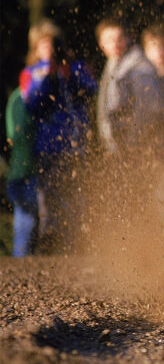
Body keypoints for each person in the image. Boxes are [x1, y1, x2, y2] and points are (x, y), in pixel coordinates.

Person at [20, 19, 97, 247]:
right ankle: (50, 242)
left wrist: (68, 75)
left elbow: (92, 90)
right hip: (47, 145)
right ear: (35, 47)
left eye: (52, 44)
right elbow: (31, 104)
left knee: (76, 195)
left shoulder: (75, 67)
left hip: (75, 143)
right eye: (43, 45)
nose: (49, 49)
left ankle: (78, 242)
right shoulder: (31, 73)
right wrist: (46, 77)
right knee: (48, 197)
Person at [96, 18, 164, 156]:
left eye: (119, 38)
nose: (115, 44)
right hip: (119, 145)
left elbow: (148, 111)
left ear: (128, 38)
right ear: (101, 43)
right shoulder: (113, 64)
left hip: (138, 147)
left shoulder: (140, 68)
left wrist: (132, 144)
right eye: (109, 40)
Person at [6, 86, 38, 256]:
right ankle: (22, 257)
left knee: (26, 218)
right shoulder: (21, 98)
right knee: (26, 219)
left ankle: (24, 257)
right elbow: (17, 135)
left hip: (25, 168)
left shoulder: (24, 96)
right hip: (24, 170)